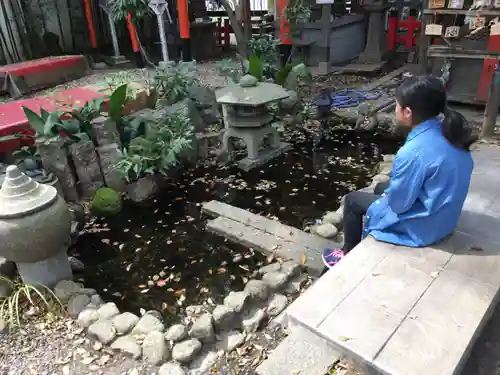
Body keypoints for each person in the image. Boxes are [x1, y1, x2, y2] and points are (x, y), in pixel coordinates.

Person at [322, 75, 477, 270]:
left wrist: (391, 194)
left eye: (396, 105)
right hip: (446, 217)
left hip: (427, 226)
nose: (395, 109)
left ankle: (347, 254)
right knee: (380, 186)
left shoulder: (413, 151)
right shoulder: (448, 131)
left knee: (352, 201)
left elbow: (399, 205)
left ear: (408, 112)